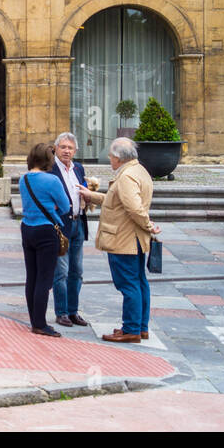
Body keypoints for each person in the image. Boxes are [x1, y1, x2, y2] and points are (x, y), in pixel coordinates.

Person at [80, 137, 161, 343]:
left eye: (110, 156)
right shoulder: (139, 171)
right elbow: (117, 201)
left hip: (124, 238)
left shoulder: (126, 177)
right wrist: (92, 195)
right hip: (134, 238)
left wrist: (148, 225)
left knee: (128, 284)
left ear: (118, 158)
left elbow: (133, 207)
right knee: (139, 282)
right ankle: (140, 327)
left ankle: (131, 329)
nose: (109, 160)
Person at [19, 142, 72, 337]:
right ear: (48, 160)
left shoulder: (23, 179)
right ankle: (40, 324)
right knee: (45, 278)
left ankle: (34, 319)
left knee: (31, 276)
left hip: (27, 228)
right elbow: (66, 207)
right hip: (46, 231)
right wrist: (54, 208)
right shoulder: (52, 181)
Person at [50, 131, 95, 328]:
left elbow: (83, 189)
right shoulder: (50, 169)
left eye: (70, 148)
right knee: (61, 271)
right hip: (60, 225)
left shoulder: (78, 168)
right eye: (63, 147)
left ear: (75, 150)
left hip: (78, 223)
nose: (66, 151)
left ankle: (73, 310)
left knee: (77, 271)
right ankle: (61, 312)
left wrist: (88, 195)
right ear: (56, 148)